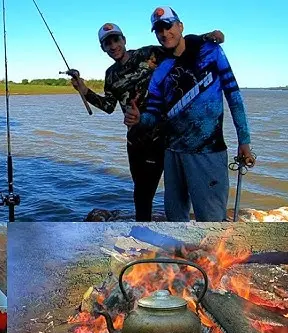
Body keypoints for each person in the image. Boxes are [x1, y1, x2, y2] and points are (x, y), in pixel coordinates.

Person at [71, 22, 224, 221]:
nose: (113, 46)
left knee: (177, 190)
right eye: (107, 43)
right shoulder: (110, 74)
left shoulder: (149, 54)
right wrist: (83, 89)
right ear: (103, 48)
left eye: (116, 40)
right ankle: (142, 232)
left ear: (124, 40)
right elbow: (108, 106)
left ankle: (186, 229)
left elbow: (176, 44)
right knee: (141, 192)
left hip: (164, 136)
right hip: (136, 141)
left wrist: (206, 36)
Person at [124, 6, 255, 222]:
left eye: (168, 26)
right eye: (159, 30)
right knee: (175, 219)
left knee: (211, 220)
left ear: (180, 26)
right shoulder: (160, 71)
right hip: (172, 154)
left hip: (208, 152)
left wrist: (244, 141)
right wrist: (139, 119)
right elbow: (155, 115)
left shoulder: (210, 52)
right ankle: (180, 255)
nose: (165, 34)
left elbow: (234, 96)